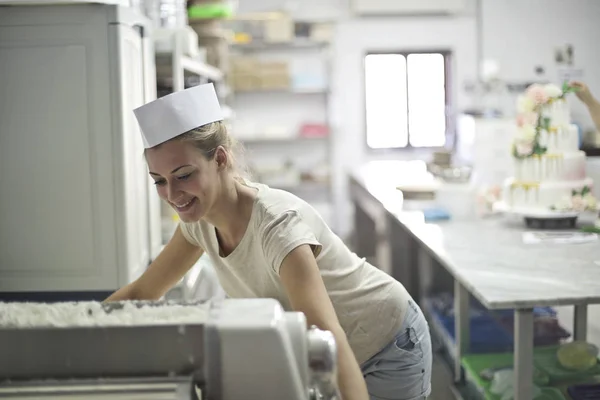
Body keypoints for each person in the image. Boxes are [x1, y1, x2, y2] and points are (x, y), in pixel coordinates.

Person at [106, 83, 432, 400]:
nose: (172, 195)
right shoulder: (198, 224)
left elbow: (325, 334)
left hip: (385, 340)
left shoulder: (276, 225)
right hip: (332, 351)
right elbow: (141, 293)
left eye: (184, 175)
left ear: (220, 159)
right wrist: (68, 334)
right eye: (159, 181)